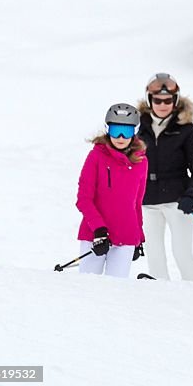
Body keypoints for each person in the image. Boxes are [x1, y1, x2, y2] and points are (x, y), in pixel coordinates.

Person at [137, 73, 193, 281]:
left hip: (177, 200)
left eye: (168, 100)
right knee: (154, 255)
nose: (163, 105)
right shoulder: (139, 129)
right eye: (157, 100)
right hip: (147, 201)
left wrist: (192, 194)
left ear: (175, 101)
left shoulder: (186, 129)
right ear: (149, 100)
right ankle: (161, 297)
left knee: (182, 254)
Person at [75, 103, 148, 278]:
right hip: (95, 235)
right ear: (108, 129)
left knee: (116, 291)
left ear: (135, 131)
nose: (121, 137)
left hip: (126, 236)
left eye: (127, 131)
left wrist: (139, 237)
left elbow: (136, 203)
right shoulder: (96, 157)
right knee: (88, 286)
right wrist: (98, 229)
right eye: (116, 130)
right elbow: (83, 199)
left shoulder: (141, 162)